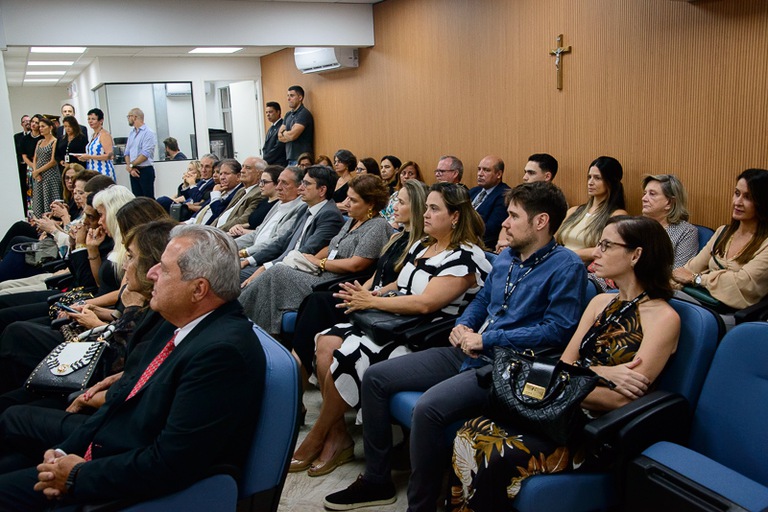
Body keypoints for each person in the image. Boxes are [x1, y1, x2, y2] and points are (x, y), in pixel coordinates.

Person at [323, 181, 588, 512]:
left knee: (428, 408)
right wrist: (464, 324)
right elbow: (483, 301)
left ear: (541, 221)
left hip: (506, 367)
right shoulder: (508, 257)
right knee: (376, 377)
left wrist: (486, 339)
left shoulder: (566, 266)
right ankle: (378, 480)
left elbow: (557, 331)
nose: (505, 223)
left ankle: (420, 507)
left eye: (513, 216)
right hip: (470, 349)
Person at [0, 224, 266, 511]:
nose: (151, 273)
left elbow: (171, 462)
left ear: (198, 289)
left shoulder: (222, 354)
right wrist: (64, 452)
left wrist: (76, 476)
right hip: (105, 452)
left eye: (164, 269)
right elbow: (118, 402)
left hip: (121, 485)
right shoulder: (178, 323)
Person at [450, 216, 680, 511]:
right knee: (470, 431)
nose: (596, 252)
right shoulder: (600, 303)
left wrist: (564, 384)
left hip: (593, 429)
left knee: (495, 454)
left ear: (636, 255)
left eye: (606, 245)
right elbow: (565, 363)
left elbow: (623, 398)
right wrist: (600, 372)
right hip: (558, 409)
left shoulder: (663, 318)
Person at [293, 183, 491, 478]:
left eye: (434, 209)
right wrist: (370, 294)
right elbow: (400, 283)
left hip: (424, 335)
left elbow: (426, 303)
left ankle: (317, 436)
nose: (426, 214)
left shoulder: (466, 257)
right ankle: (338, 435)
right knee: (325, 340)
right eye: (426, 207)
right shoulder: (424, 244)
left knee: (347, 354)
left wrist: (372, 302)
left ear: (455, 217)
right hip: (395, 321)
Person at [291, 179, 429, 380]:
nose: (394, 207)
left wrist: (370, 296)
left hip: (386, 303)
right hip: (370, 295)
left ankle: (297, 371)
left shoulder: (421, 245)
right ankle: (298, 368)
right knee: (315, 301)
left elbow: (400, 283)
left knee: (318, 302)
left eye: (401, 203)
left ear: (416, 207)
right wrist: (360, 291)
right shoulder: (396, 238)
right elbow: (376, 274)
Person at [240, 174, 392, 337]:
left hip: (335, 282)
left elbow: (356, 264)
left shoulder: (378, 226)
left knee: (277, 272)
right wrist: (309, 260)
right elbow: (332, 246)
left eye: (353, 200)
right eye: (347, 197)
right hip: (322, 273)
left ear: (370, 204)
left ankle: (241, 318)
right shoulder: (353, 220)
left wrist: (319, 263)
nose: (346, 203)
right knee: (277, 271)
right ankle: (249, 322)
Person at [672, 168, 768, 309]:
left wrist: (696, 279)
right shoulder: (723, 232)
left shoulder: (765, 243)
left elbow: (742, 283)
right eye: (737, 194)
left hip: (734, 313)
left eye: (748, 197)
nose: (737, 202)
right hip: (703, 302)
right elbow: (690, 269)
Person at [239, 165, 344, 283]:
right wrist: (249, 260)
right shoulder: (305, 209)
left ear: (322, 190)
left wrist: (267, 267)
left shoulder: (330, 215)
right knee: (233, 269)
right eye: (302, 182)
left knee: (235, 275)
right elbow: (282, 242)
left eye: (306, 184)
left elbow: (307, 250)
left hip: (298, 271)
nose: (301, 188)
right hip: (281, 263)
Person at [556, 156, 628, 264]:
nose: (590, 182)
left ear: (610, 182)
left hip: (585, 268)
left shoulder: (617, 214)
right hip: (560, 262)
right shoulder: (574, 210)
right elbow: (553, 240)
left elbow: (606, 249)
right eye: (589, 177)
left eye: (597, 178)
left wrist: (567, 255)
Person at [235, 166, 306, 273]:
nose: (278, 187)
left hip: (266, 260)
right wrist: (230, 245)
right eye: (278, 182)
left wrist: (245, 252)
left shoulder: (300, 208)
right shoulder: (279, 203)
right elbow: (257, 233)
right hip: (251, 254)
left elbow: (277, 241)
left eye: (285, 183)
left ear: (299, 187)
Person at [641, 174, 698, 268]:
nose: (644, 199)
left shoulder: (686, 232)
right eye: (644, 193)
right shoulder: (636, 226)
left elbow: (679, 272)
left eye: (652, 194)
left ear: (669, 202)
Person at [228, 165, 282, 238]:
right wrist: (239, 226)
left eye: (265, 182)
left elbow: (268, 231)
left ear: (277, 184)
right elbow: (253, 223)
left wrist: (244, 231)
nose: (260, 185)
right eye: (260, 181)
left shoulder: (278, 205)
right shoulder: (264, 201)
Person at [215, 157, 266, 231]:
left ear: (260, 174)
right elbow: (222, 215)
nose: (242, 171)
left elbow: (243, 220)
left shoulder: (259, 193)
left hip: (228, 233)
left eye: (248, 168)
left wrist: (216, 231)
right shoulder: (241, 190)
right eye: (242, 167)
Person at [469, 155, 510, 248]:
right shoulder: (473, 191)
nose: (480, 174)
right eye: (479, 169)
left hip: (481, 245)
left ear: (498, 174)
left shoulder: (504, 195)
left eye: (486, 170)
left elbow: (490, 230)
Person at [190, 159, 243, 226]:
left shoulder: (239, 193)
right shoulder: (222, 190)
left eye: (226, 174)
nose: (222, 177)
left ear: (238, 176)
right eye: (221, 174)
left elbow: (219, 214)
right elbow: (203, 210)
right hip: (194, 224)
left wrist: (215, 193)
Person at [31, 117, 60, 218]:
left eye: (43, 126)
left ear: (50, 127)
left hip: (50, 175)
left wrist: (38, 171)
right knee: (39, 201)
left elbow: (53, 161)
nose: (41, 129)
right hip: (39, 176)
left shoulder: (54, 141)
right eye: (40, 127)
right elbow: (35, 158)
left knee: (49, 200)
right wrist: (35, 172)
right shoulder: (39, 142)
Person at [124, 108, 157, 198]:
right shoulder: (131, 133)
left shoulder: (148, 133)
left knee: (148, 199)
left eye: (129, 116)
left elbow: (145, 155)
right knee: (137, 199)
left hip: (145, 170)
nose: (128, 119)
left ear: (134, 117)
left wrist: (131, 165)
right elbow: (127, 152)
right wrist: (130, 168)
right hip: (133, 170)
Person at [279, 85, 314, 165]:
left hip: (301, 160)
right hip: (290, 158)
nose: (288, 99)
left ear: (300, 98)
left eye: (292, 96)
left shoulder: (303, 114)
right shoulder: (288, 114)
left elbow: (292, 136)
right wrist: (288, 134)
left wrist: (284, 132)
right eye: (288, 96)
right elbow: (279, 137)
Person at [78, 108, 115, 181]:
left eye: (93, 119)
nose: (90, 121)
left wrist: (90, 157)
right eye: (89, 119)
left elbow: (110, 155)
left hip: (103, 171)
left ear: (101, 120)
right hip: (92, 171)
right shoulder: (93, 135)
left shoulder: (104, 135)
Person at [14, 115, 31, 213]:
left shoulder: (33, 136)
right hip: (21, 168)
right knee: (23, 189)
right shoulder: (17, 137)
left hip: (31, 166)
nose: (27, 123)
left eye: (29, 121)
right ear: (21, 124)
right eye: (25, 121)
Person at [262, 101, 287, 166]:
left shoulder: (282, 125)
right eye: (266, 112)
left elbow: (279, 147)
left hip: (279, 163)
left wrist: (265, 159)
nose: (268, 114)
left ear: (278, 112)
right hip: (270, 163)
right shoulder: (271, 128)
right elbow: (265, 147)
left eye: (270, 112)